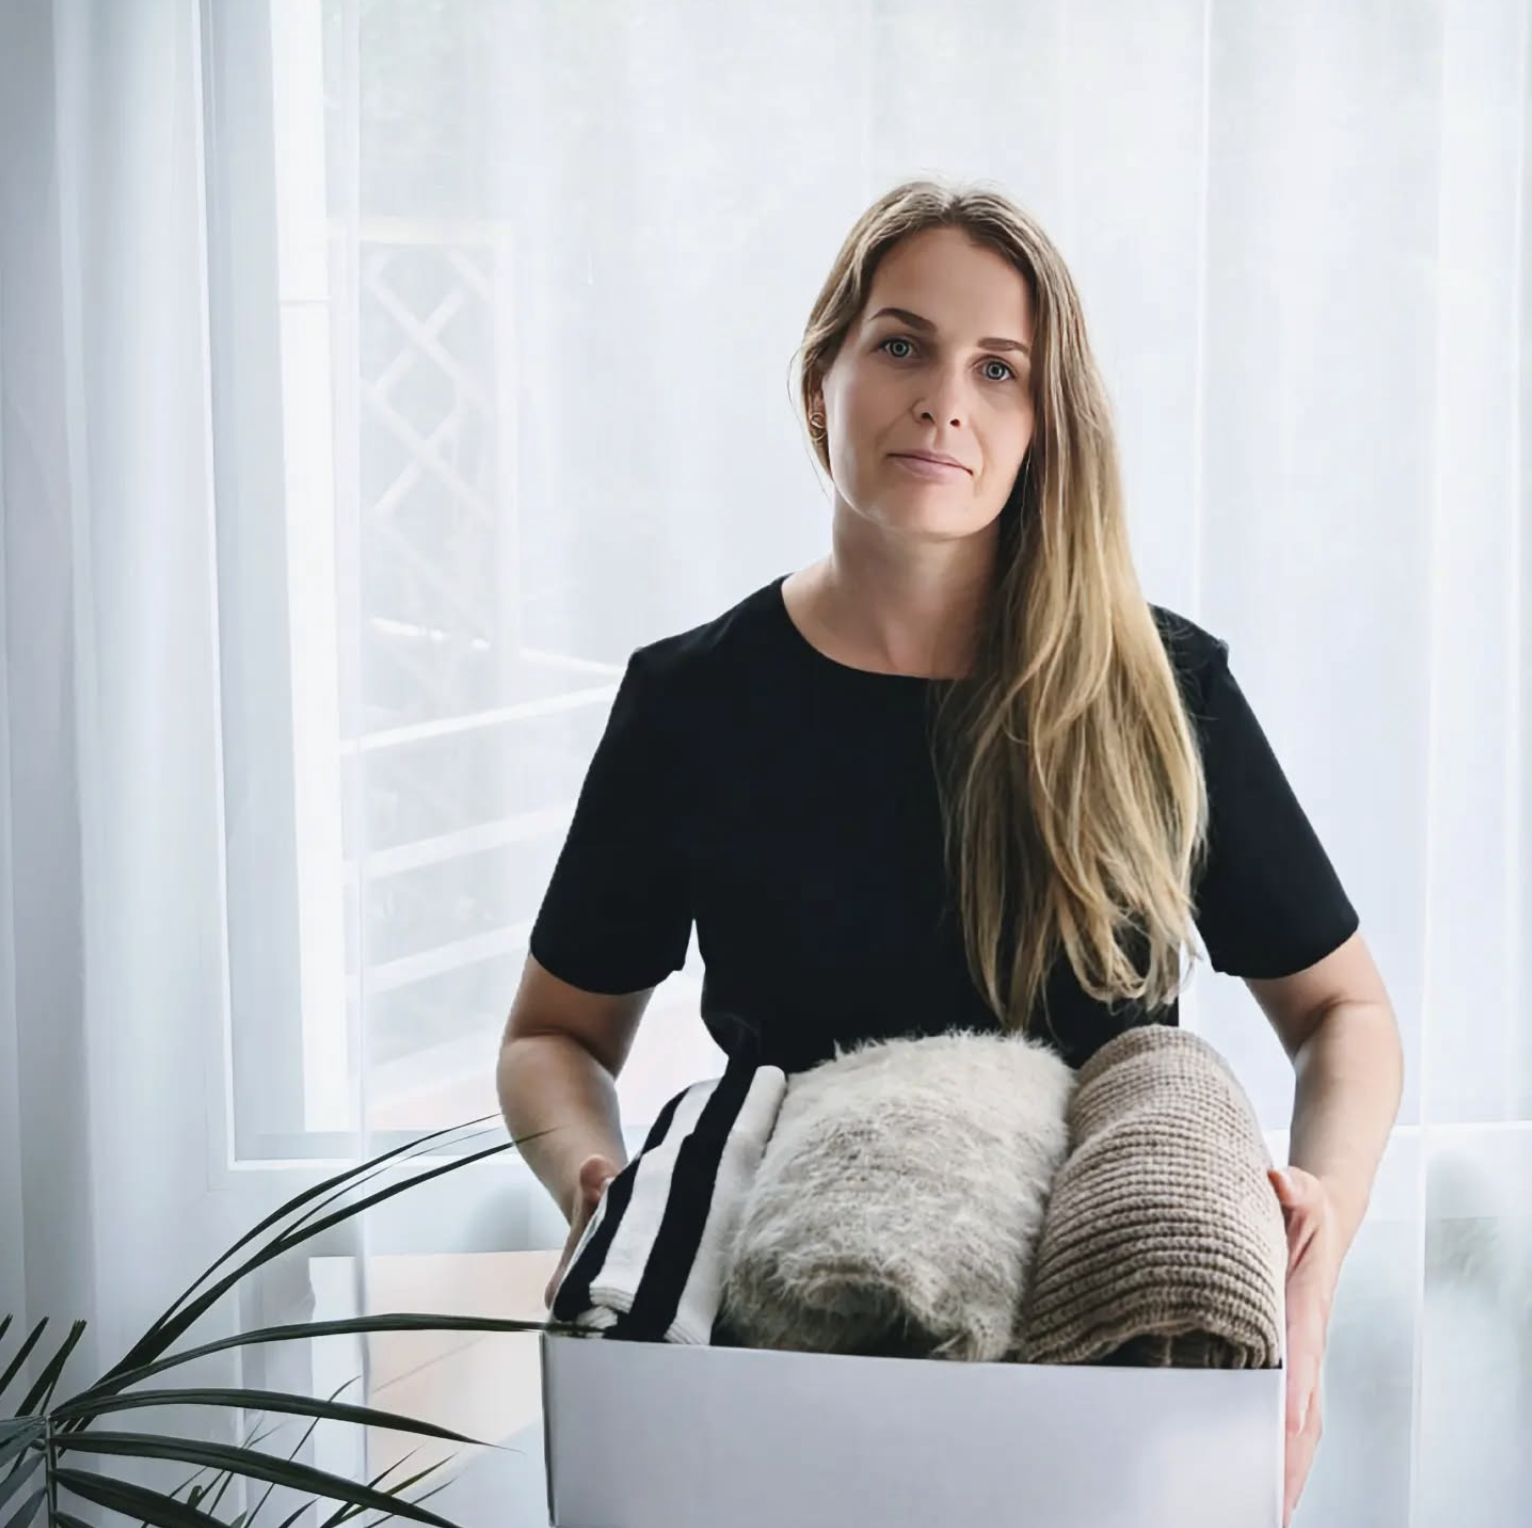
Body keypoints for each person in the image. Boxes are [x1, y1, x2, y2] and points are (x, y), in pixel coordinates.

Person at [496, 177, 1404, 1526]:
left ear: (1044, 425)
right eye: (903, 345)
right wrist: (595, 1179)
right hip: (784, 1370)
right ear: (823, 380)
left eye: (999, 369)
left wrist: (1314, 1253)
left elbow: (1344, 1013)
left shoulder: (1161, 690)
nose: (944, 403)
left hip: (1108, 1393)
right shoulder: (694, 702)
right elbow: (552, 1037)